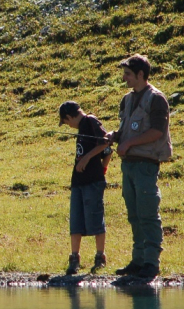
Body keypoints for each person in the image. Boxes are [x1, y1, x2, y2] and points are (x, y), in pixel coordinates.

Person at [106, 54, 173, 280]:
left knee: (148, 214)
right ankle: (138, 260)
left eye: (127, 74)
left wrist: (129, 143)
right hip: (129, 166)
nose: (124, 78)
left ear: (141, 75)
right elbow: (127, 130)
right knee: (134, 215)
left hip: (146, 165)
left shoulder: (157, 99)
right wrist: (115, 137)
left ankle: (151, 263)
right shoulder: (127, 99)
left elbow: (157, 132)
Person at [58, 101, 112, 275]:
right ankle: (74, 259)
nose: (68, 125)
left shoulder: (90, 121)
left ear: (69, 117)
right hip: (78, 182)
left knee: (95, 218)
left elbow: (106, 144)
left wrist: (88, 159)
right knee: (76, 221)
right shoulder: (81, 129)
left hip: (92, 181)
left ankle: (100, 257)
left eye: (66, 122)